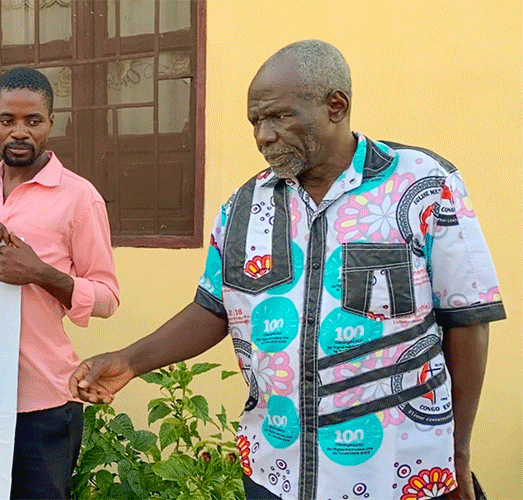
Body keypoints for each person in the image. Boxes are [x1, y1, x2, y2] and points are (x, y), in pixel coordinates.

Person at [69, 40, 504, 500]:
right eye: (256, 121)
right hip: (276, 473)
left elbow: (468, 319)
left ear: (336, 106)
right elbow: (214, 308)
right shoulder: (242, 207)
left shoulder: (422, 186)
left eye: (278, 116)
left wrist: (456, 453)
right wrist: (130, 361)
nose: (263, 135)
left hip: (399, 474)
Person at [0, 67, 120, 499]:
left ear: (51, 123)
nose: (20, 132)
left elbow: (106, 297)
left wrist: (41, 274)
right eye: (8, 120)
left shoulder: (79, 197)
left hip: (44, 402)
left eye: (33, 121)